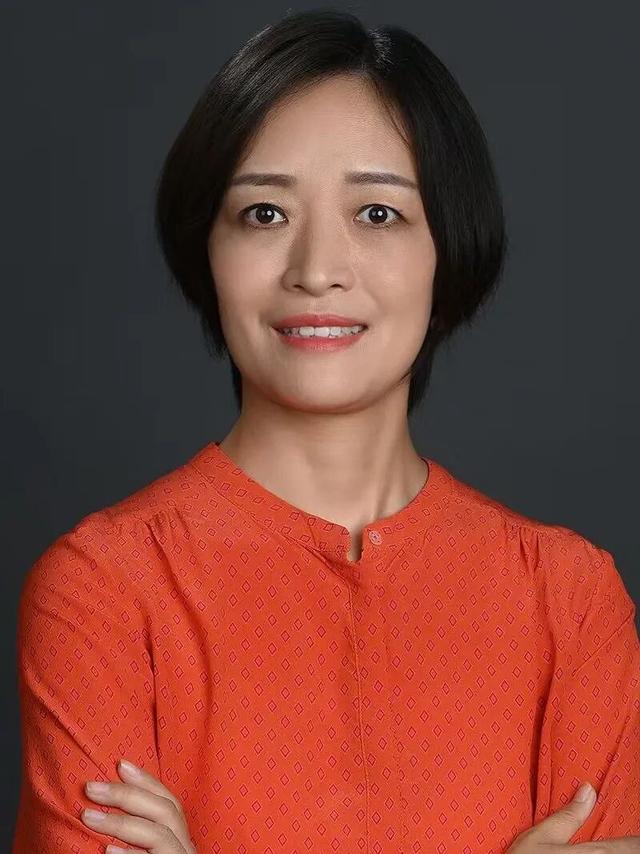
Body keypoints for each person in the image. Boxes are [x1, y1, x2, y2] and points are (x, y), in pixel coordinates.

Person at [12, 8, 640, 853]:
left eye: (377, 214)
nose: (315, 270)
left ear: (449, 249)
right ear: (208, 252)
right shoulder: (103, 591)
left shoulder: (569, 598)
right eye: (264, 214)